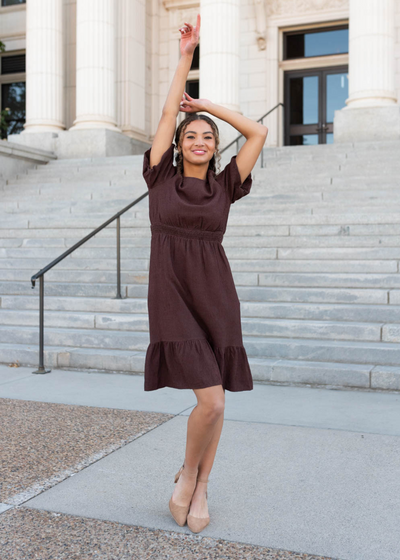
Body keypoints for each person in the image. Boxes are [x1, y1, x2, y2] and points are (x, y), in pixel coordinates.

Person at [142, 14, 268, 534]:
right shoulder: (159, 175)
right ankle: (188, 474)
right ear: (177, 144)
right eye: (189, 135)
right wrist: (185, 62)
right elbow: (170, 110)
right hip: (171, 293)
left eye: (205, 137)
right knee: (209, 399)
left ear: (214, 148)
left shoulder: (227, 186)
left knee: (215, 405)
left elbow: (257, 130)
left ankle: (200, 485)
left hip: (216, 294)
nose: (197, 140)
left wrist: (207, 107)